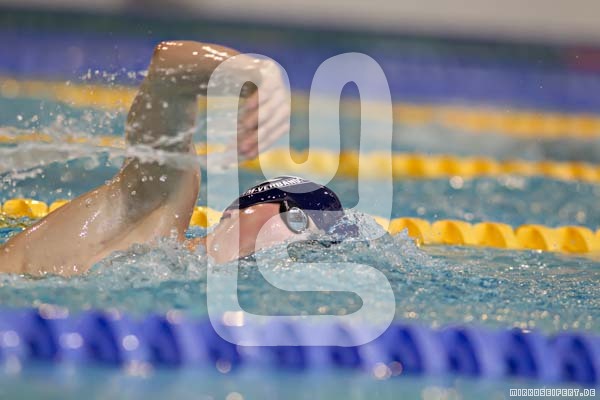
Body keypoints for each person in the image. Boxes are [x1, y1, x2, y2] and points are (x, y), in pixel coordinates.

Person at [0, 41, 354, 276]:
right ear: (234, 213)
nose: (294, 250)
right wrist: (256, 72)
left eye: (313, 251)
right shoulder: (157, 211)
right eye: (297, 223)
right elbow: (167, 69)